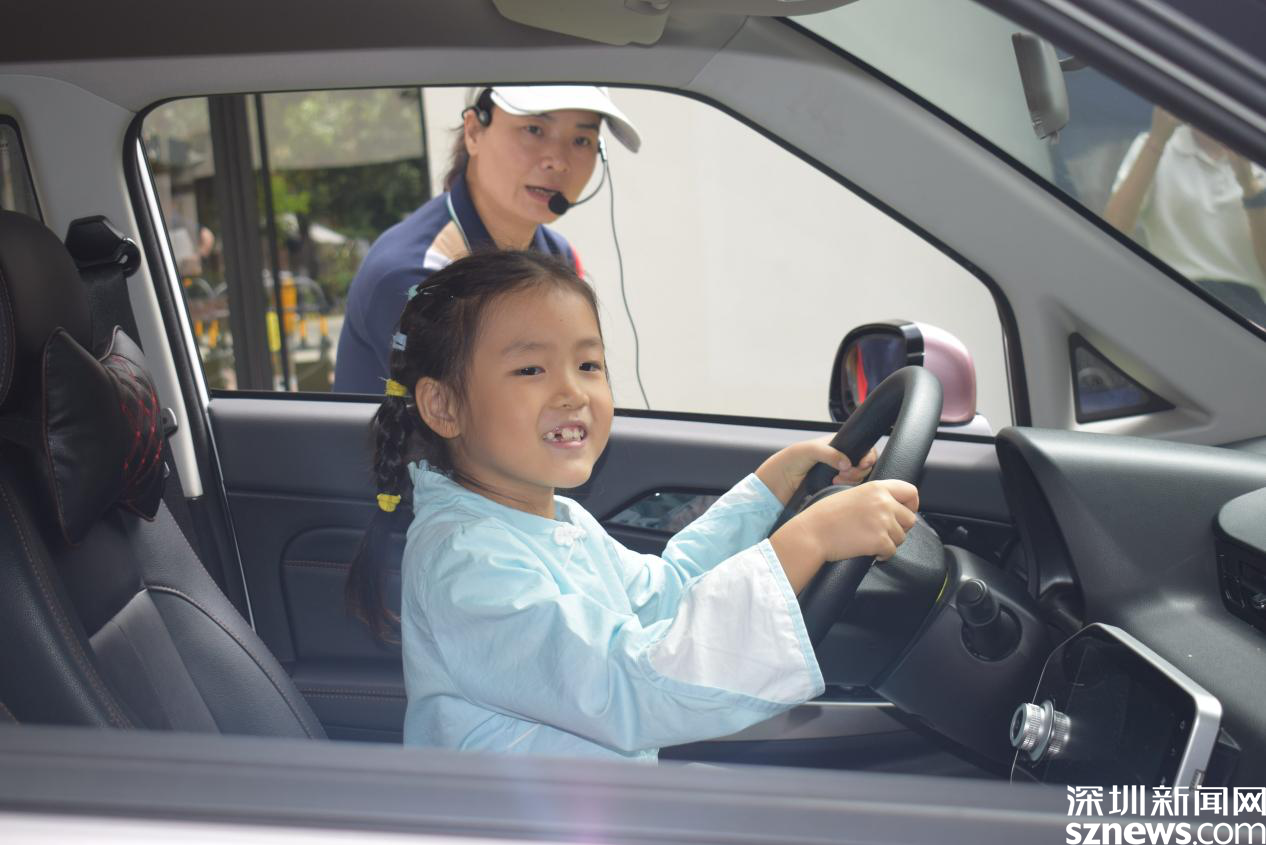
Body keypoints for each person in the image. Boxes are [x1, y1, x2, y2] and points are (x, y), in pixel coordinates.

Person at [344, 250, 920, 761]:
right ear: (444, 407)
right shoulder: (468, 563)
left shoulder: (555, 519)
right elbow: (628, 684)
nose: (573, 391)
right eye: (530, 369)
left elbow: (666, 593)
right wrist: (807, 542)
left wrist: (771, 491)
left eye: (588, 365)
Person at [333, 86, 641, 393]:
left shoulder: (558, 255)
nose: (558, 161)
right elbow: (459, 419)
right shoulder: (418, 274)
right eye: (534, 130)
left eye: (581, 140)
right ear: (473, 132)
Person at [1104, 107, 1266, 327]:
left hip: (1249, 312)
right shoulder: (1157, 146)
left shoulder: (1257, 154)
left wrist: (1249, 185)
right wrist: (1157, 140)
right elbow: (1113, 230)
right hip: (1175, 297)